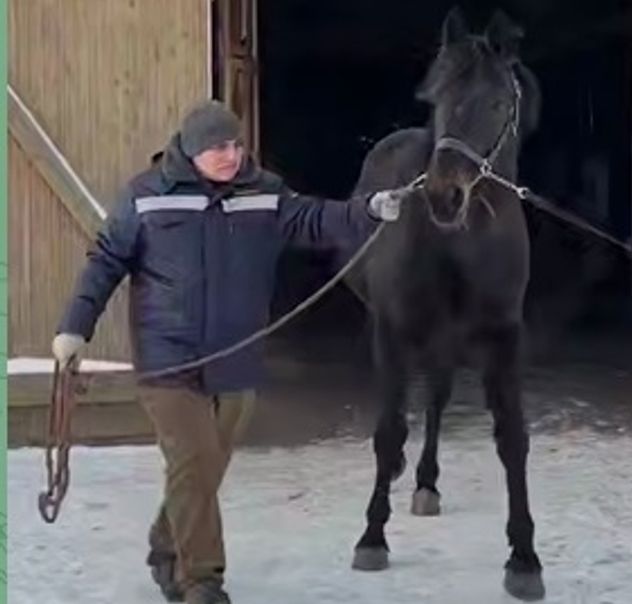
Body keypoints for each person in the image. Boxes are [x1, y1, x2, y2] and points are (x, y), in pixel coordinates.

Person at [51, 100, 407, 604]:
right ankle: (201, 581)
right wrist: (74, 328)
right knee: (194, 460)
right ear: (192, 150)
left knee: (203, 469)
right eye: (219, 147)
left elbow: (312, 218)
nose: (232, 155)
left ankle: (166, 544)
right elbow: (105, 261)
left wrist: (368, 210)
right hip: (169, 358)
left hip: (236, 357)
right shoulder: (147, 196)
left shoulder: (262, 193)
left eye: (237, 145)